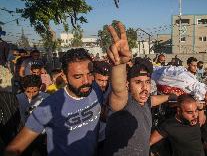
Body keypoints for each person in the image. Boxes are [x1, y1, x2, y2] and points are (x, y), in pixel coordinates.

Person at [5, 48, 102, 156]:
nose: (86, 81)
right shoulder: (48, 106)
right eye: (78, 76)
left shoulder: (95, 89)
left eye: (89, 74)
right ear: (64, 77)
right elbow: (14, 149)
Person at [102, 22, 177, 156]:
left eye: (147, 82)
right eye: (138, 82)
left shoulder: (144, 101)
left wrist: (170, 97)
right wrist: (119, 64)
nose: (144, 88)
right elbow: (118, 90)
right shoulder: (125, 103)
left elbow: (152, 100)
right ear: (127, 85)